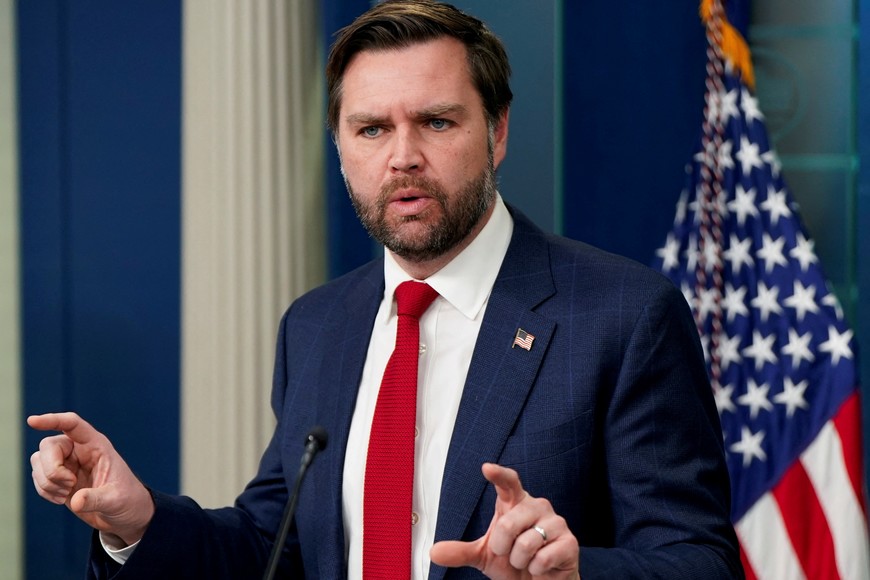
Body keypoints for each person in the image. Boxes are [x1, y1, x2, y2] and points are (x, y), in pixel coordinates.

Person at [28, 1, 743, 578]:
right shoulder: (316, 324)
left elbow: (699, 561)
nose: (403, 156)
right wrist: (139, 520)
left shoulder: (624, 315)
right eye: (371, 129)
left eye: (436, 121)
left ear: (495, 132)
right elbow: (271, 545)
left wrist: (573, 572)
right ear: (342, 151)